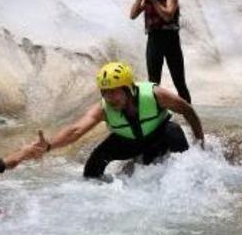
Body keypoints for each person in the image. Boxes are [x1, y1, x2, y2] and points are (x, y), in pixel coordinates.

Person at [36, 62, 204, 179]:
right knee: (94, 164)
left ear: (128, 89)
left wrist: (200, 142)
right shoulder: (103, 109)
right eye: (105, 92)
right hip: (129, 143)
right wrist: (49, 146)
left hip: (159, 138)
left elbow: (188, 111)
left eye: (114, 91)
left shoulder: (156, 95)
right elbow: (76, 130)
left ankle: (191, 173)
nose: (110, 97)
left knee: (173, 130)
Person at [129, 0, 192, 103]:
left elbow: (168, 16)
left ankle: (188, 110)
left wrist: (153, 0)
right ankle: (154, 111)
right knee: (153, 82)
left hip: (171, 39)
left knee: (179, 80)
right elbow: (132, 15)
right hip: (154, 39)